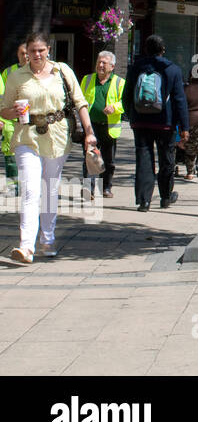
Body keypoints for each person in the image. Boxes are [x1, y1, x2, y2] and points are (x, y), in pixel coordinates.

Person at [0, 32, 96, 263]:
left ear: (48, 50)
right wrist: (12, 112)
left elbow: (80, 102)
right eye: (32, 51)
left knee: (50, 189)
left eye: (41, 50)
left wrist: (89, 132)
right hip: (27, 136)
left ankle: (48, 238)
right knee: (31, 190)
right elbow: (3, 109)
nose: (36, 55)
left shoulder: (62, 71)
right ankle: (26, 246)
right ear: (26, 52)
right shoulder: (16, 77)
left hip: (57, 136)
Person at [124, 34, 189, 212]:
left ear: (145, 49)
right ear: (163, 50)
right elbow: (179, 100)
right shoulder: (172, 69)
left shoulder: (136, 67)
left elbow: (127, 94)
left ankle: (144, 201)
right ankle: (166, 197)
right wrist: (184, 126)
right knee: (167, 159)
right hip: (165, 122)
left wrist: (131, 116)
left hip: (141, 122)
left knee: (144, 160)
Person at [80, 51, 125, 199]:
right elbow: (79, 100)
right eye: (98, 62)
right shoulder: (87, 80)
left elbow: (125, 103)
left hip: (109, 127)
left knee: (108, 160)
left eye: (104, 63)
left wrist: (115, 108)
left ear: (112, 66)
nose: (100, 65)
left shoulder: (119, 82)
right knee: (90, 157)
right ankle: (89, 189)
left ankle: (106, 187)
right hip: (91, 127)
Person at [0, 42, 26, 194]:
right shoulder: (8, 72)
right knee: (9, 152)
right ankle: (13, 185)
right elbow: (1, 98)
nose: (25, 56)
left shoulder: (39, 72)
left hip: (31, 120)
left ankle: (28, 185)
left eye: (26, 53)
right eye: (22, 53)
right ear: (17, 55)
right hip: (10, 118)